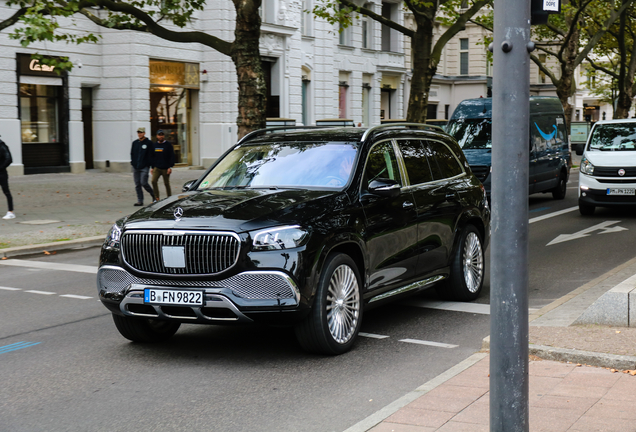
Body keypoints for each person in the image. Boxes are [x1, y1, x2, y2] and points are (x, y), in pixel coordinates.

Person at [130, 127, 155, 206]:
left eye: (141, 132)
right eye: (138, 133)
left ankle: (154, 195)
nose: (139, 134)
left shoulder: (149, 143)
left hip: (144, 166)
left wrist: (150, 165)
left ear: (144, 133)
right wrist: (133, 162)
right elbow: (132, 153)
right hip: (136, 166)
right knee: (137, 184)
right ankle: (140, 200)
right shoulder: (135, 143)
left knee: (144, 182)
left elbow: (151, 155)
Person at [151, 130, 175, 202]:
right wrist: (152, 167)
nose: (160, 136)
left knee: (166, 183)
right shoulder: (155, 145)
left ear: (164, 136)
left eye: (162, 135)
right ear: (157, 136)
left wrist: (170, 167)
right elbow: (152, 156)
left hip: (165, 168)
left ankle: (169, 197)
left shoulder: (168, 145)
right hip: (157, 167)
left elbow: (172, 156)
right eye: (159, 135)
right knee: (153, 181)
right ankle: (156, 197)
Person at [0, 138, 15, 219]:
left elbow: (9, 159)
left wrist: (1, 167)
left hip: (1, 173)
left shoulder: (2, 146)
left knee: (6, 191)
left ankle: (10, 211)